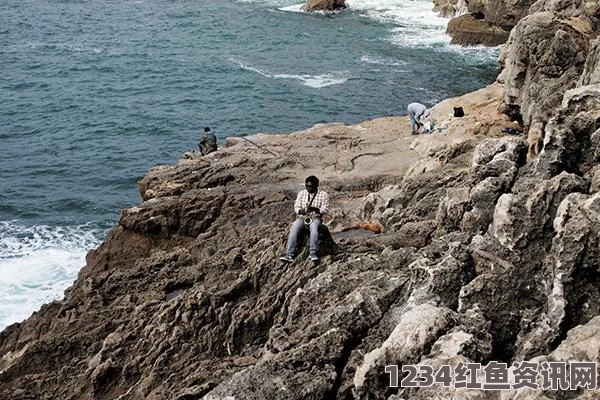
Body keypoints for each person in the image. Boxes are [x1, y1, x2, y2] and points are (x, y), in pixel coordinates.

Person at [280, 175, 330, 263]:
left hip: (315, 218)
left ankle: (313, 253)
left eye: (310, 186)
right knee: (294, 229)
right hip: (303, 217)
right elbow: (296, 206)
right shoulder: (301, 193)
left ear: (317, 185)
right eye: (307, 186)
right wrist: (300, 211)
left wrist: (316, 209)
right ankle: (289, 255)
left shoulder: (324, 195)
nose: (308, 188)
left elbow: (325, 209)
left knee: (314, 230)